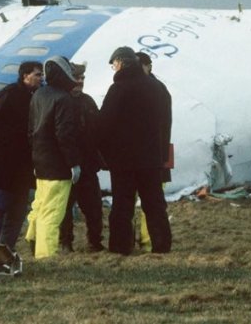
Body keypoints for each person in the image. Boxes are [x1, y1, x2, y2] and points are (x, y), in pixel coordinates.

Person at [99, 46, 172, 254]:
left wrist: (103, 150)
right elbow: (165, 123)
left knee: (122, 205)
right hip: (152, 158)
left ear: (120, 63)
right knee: (155, 204)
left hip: (124, 160)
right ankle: (162, 245)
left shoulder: (119, 89)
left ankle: (120, 247)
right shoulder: (157, 88)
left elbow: (105, 123)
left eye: (114, 65)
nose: (114, 69)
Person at [0, 61, 42, 253]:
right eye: (38, 74)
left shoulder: (37, 97)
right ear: (25, 76)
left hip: (22, 167)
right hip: (2, 163)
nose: (41, 78)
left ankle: (5, 254)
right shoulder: (9, 94)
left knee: (16, 213)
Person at [26, 56, 82, 259]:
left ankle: (32, 239)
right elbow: (64, 135)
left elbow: (31, 129)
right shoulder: (64, 99)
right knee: (52, 212)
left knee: (39, 205)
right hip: (58, 166)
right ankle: (45, 255)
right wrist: (74, 163)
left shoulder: (39, 94)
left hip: (40, 162)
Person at [58, 62, 105, 252]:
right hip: (65, 165)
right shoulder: (60, 100)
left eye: (82, 78)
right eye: (77, 78)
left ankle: (94, 241)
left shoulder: (87, 102)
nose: (80, 82)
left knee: (93, 207)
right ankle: (65, 242)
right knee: (64, 208)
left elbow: (98, 129)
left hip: (88, 164)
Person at [134, 52, 173, 252]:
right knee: (152, 200)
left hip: (154, 154)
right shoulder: (159, 89)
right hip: (158, 153)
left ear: (148, 66)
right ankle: (147, 239)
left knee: (152, 200)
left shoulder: (154, 90)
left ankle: (149, 240)